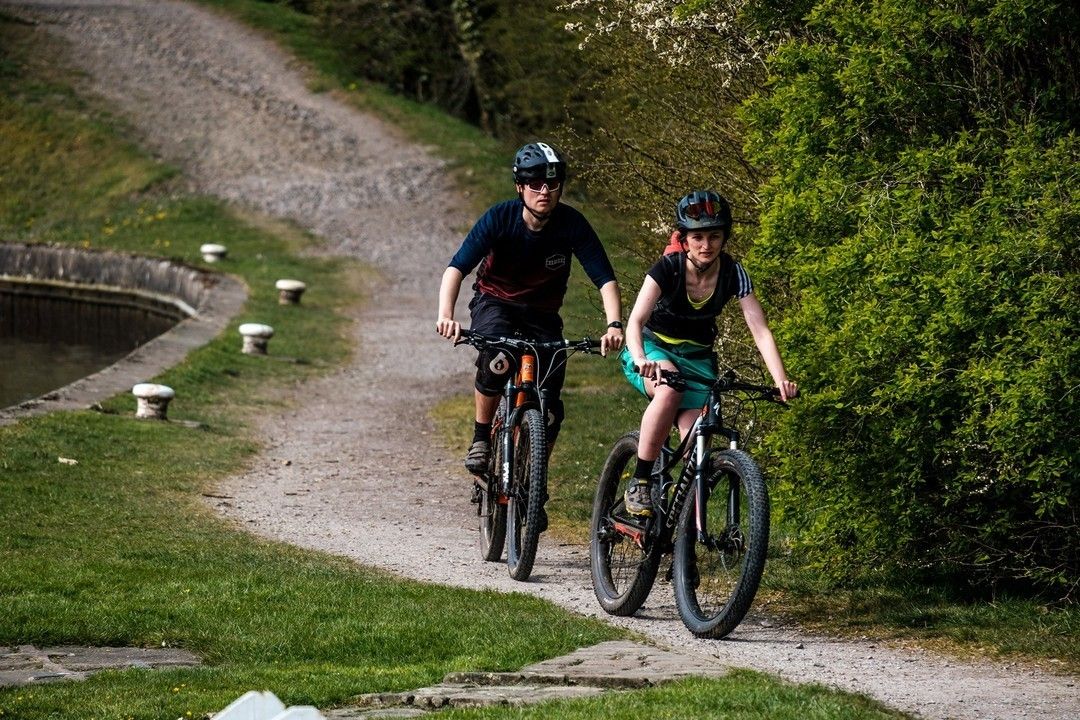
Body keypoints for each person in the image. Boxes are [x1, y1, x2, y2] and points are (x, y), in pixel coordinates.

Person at [436, 141, 624, 480]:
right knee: (499, 360)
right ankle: (481, 439)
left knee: (550, 410)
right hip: (495, 303)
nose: (545, 191)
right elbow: (456, 269)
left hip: (543, 316)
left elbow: (605, 279)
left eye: (552, 184)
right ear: (520, 187)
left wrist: (614, 324)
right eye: (535, 184)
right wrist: (446, 315)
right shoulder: (499, 218)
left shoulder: (571, 224)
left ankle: (534, 481)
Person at [620, 189, 797, 516]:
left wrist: (780, 380)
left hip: (698, 359)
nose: (706, 245)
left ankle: (685, 534)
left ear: (724, 237)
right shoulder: (666, 268)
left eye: (714, 236)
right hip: (651, 347)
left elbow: (759, 329)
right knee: (669, 390)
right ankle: (641, 482)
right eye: (697, 236)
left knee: (696, 447)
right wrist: (641, 357)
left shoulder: (733, 273)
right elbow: (636, 321)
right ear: (684, 239)